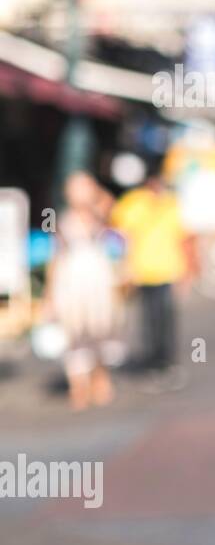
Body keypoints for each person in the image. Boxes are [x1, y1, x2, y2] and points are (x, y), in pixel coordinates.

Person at [44, 172, 123, 410]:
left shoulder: (99, 214)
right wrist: (48, 295)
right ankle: (78, 386)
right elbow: (56, 256)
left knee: (100, 330)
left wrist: (94, 194)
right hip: (72, 282)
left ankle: (100, 377)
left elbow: (112, 207)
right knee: (74, 334)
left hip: (97, 279)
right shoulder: (63, 220)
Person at [111, 159, 193, 383]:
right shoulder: (133, 204)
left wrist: (188, 271)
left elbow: (184, 238)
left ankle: (167, 361)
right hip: (142, 272)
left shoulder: (172, 204)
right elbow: (119, 236)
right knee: (148, 320)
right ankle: (153, 362)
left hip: (168, 270)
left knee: (166, 318)